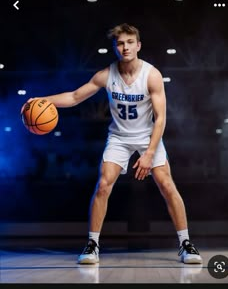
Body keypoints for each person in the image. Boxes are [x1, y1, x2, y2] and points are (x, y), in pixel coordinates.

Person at [22, 23, 202, 265]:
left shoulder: (152, 75)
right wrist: (42, 100)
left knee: (167, 184)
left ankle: (186, 244)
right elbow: (75, 97)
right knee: (104, 185)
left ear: (138, 45)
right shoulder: (106, 75)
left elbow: (161, 119)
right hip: (119, 136)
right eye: (120, 43)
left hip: (148, 136)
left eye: (129, 42)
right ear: (115, 47)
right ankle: (92, 245)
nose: (125, 47)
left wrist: (149, 153)